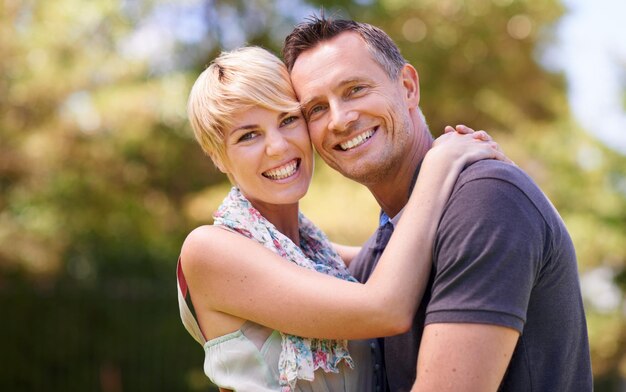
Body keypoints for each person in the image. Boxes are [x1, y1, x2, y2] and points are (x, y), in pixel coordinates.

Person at [283, 15, 593, 392]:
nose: (340, 119)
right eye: (316, 109)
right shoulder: (380, 259)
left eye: (355, 89)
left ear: (409, 87)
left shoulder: (486, 198)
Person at [177, 45, 509, 392]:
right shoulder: (210, 250)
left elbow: (407, 248)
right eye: (248, 135)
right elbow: (385, 308)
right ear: (217, 155)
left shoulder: (316, 255)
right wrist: (440, 164)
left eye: (288, 119)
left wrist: (488, 186)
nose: (278, 147)